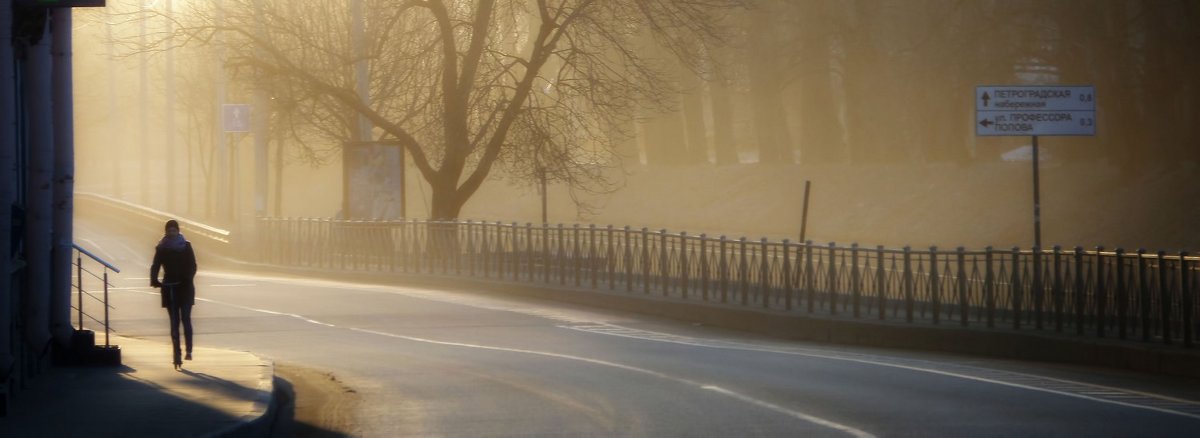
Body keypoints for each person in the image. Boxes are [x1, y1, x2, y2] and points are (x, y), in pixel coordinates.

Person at [150, 219, 198, 370]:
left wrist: (187, 278)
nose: (171, 233)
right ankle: (176, 353)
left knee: (185, 317)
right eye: (169, 231)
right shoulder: (162, 247)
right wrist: (154, 280)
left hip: (185, 286)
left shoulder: (186, 245)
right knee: (174, 322)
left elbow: (193, 265)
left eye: (174, 230)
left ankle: (189, 349)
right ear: (166, 232)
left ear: (178, 231)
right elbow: (156, 265)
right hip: (169, 286)